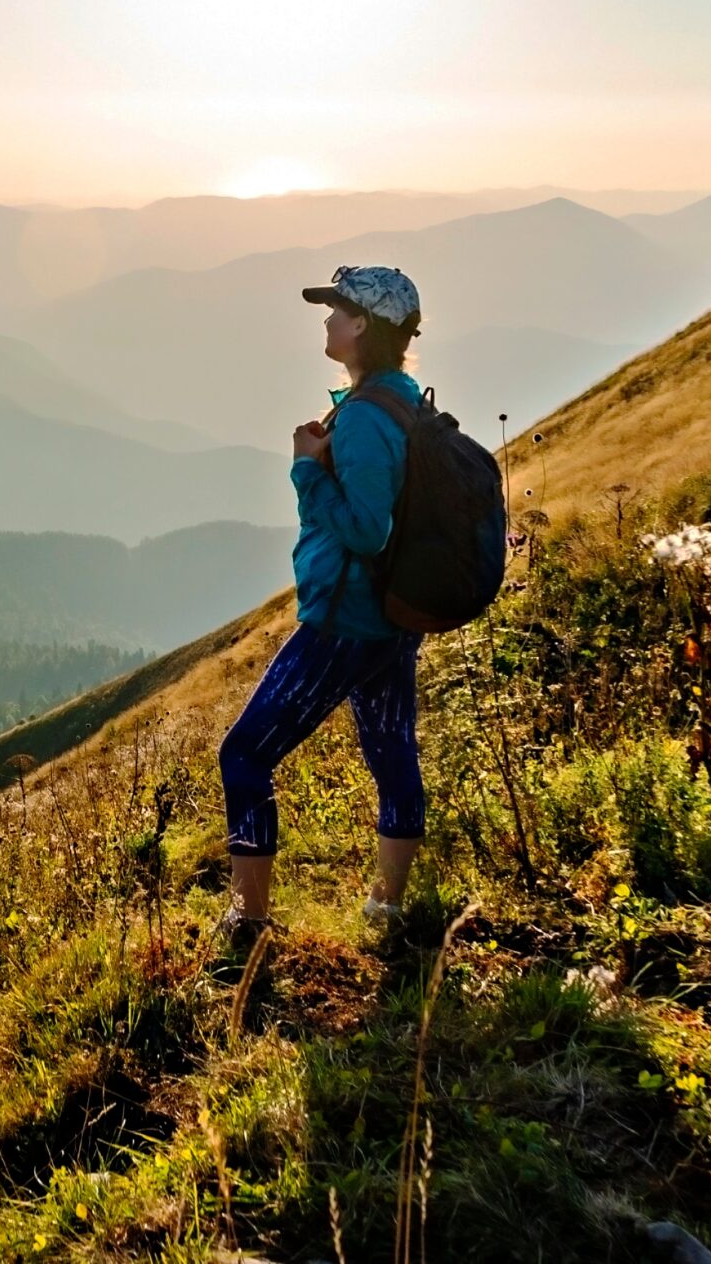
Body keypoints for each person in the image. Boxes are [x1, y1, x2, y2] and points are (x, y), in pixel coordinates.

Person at [215, 263, 428, 958]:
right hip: (392, 621)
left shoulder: (367, 418)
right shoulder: (400, 402)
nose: (327, 320)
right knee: (392, 755)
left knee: (244, 753)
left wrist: (307, 467)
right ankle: (386, 909)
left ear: (364, 324)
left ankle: (248, 924)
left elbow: (367, 529)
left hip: (344, 621)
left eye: (337, 310)